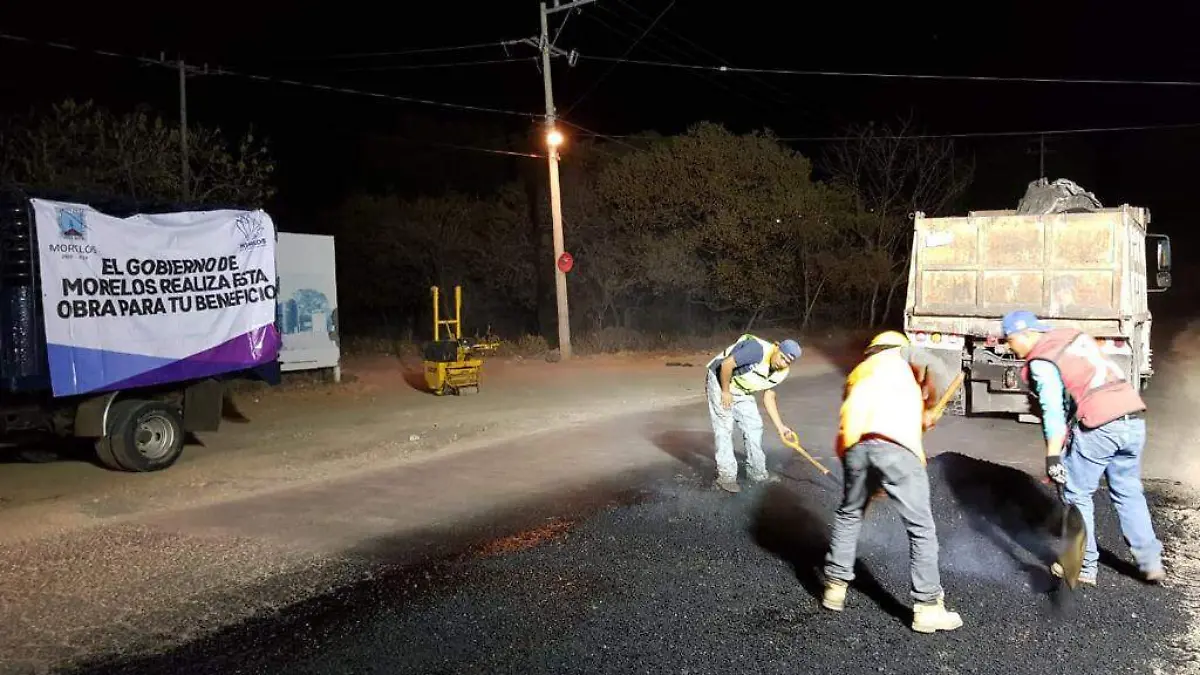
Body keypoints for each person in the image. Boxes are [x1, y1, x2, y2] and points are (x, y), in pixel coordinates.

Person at [1001, 310, 1165, 586]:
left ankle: (1084, 566)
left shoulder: (1042, 359)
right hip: (1133, 417)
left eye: (1009, 339)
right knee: (1128, 491)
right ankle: (1150, 562)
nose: (1008, 347)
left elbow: (1053, 410)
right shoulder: (1071, 337)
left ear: (1026, 334)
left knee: (1077, 493)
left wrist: (1053, 456)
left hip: (1102, 424)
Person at [821, 330, 963, 634]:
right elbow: (936, 368)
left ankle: (835, 586)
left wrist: (861, 475)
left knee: (849, 514)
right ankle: (928, 607)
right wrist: (929, 406)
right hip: (896, 446)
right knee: (921, 528)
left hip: (855, 447)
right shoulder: (901, 355)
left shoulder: (859, 373)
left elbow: (850, 420)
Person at [705, 334, 802, 493]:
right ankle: (726, 477)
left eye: (787, 361)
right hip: (720, 379)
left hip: (741, 389)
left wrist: (781, 427)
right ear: (777, 347)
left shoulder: (782, 371)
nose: (782, 363)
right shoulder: (756, 350)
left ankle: (757, 472)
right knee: (724, 427)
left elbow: (769, 397)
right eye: (782, 357)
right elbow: (726, 365)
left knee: (754, 426)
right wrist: (725, 391)